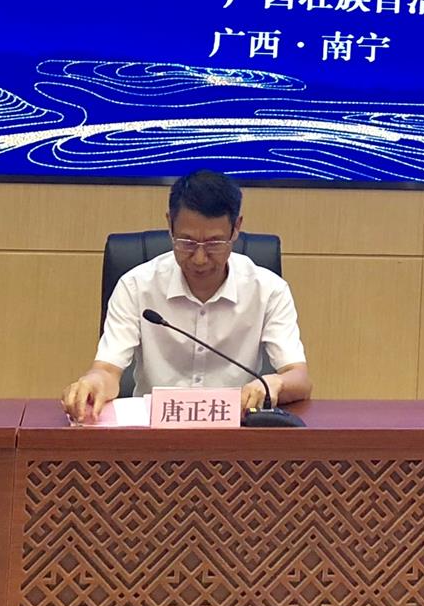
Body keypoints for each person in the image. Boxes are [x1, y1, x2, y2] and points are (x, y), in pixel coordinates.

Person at [61, 169, 310, 423]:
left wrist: (275, 383)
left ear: (236, 228)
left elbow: (299, 377)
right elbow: (107, 370)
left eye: (214, 244)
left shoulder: (268, 290)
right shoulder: (136, 286)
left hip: (237, 431)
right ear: (170, 224)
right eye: (187, 242)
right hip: (154, 433)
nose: (200, 259)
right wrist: (93, 382)